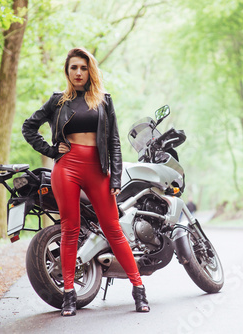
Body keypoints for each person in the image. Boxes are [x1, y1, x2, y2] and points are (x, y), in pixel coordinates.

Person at [22, 47, 149, 316]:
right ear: (67, 72)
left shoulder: (104, 100)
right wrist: (51, 150)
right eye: (73, 68)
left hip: (98, 169)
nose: (78, 73)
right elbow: (28, 127)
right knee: (70, 229)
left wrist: (115, 176)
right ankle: (69, 294)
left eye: (83, 68)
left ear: (90, 70)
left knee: (112, 228)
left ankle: (138, 289)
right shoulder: (57, 101)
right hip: (67, 168)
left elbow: (113, 141)